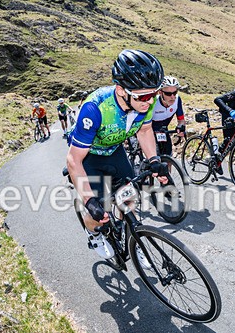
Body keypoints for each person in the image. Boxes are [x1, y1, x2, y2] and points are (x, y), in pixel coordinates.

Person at [66, 49, 169, 260]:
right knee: (99, 211)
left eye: (155, 94)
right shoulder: (96, 108)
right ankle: (93, 233)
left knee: (129, 197)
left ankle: (132, 237)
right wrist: (88, 200)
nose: (150, 102)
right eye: (144, 96)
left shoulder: (144, 102)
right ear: (121, 90)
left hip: (114, 150)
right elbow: (73, 159)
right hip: (89, 157)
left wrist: (154, 160)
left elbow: (145, 130)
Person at [151, 76, 186, 155]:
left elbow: (181, 120)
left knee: (168, 156)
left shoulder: (177, 100)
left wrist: (181, 128)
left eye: (175, 92)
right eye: (168, 94)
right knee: (153, 156)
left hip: (163, 130)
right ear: (160, 92)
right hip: (148, 128)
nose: (172, 97)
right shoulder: (153, 102)